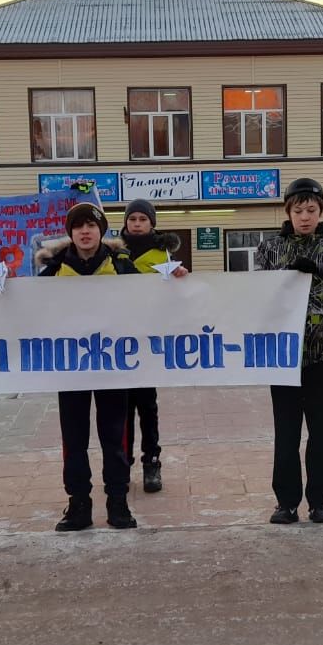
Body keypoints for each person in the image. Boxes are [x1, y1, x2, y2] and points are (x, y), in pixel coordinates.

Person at [254, 177, 323, 526]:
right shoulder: (269, 250)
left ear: (321, 211)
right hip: (283, 357)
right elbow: (260, 295)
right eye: (299, 211)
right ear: (288, 212)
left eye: (312, 210)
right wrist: (288, 274)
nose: (305, 217)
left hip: (321, 359)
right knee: (286, 432)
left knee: (320, 432)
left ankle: (319, 501)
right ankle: (286, 502)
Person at [36, 203, 140, 532]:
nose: (85, 231)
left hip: (112, 367)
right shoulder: (54, 268)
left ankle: (118, 502)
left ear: (101, 230)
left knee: (114, 437)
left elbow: (152, 299)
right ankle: (78, 503)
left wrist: (175, 278)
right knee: (74, 438)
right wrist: (1, 284)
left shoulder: (121, 264)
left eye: (91, 226)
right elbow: (27, 305)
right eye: (78, 226)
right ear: (70, 232)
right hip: (70, 369)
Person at [119, 197, 185, 493]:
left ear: (151, 223)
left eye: (142, 219)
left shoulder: (161, 254)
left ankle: (152, 463)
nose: (136, 224)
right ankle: (122, 462)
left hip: (147, 342)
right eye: (132, 219)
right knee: (121, 409)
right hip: (117, 342)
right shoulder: (112, 252)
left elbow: (172, 294)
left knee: (147, 407)